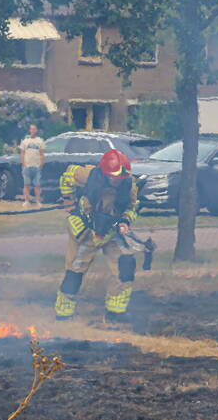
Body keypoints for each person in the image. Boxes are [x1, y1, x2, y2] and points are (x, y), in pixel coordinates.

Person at [54, 149, 139, 324]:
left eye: (121, 178)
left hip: (112, 231)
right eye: (114, 177)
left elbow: (133, 206)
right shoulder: (88, 175)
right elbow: (66, 176)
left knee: (126, 264)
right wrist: (70, 207)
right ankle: (63, 313)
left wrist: (125, 221)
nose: (117, 181)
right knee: (75, 271)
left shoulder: (129, 184)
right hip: (87, 231)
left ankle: (115, 312)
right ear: (104, 172)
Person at [19, 123, 46, 207]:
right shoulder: (25, 141)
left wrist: (41, 164)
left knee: (37, 185)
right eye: (31, 129)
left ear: (36, 130)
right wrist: (23, 164)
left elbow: (42, 154)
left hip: (36, 166)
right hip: (27, 166)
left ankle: (38, 201)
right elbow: (22, 154)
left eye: (34, 129)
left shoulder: (40, 141)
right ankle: (26, 201)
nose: (33, 131)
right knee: (26, 185)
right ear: (29, 130)